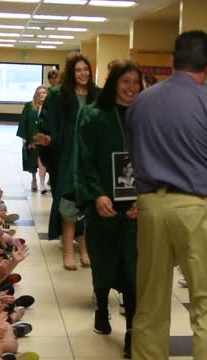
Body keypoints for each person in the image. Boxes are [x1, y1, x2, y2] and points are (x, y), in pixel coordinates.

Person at [125, 30, 207, 360]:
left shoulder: (141, 102)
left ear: (173, 61)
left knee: (150, 301)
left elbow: (132, 154)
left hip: (151, 205)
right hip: (195, 206)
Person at [75, 59, 143, 358]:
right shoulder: (93, 115)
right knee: (103, 262)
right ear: (114, 82)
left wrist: (145, 198)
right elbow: (84, 159)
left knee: (133, 268)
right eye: (124, 82)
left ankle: (131, 331)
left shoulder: (146, 117)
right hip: (104, 203)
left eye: (135, 83)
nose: (130, 88)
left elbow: (157, 161)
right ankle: (102, 309)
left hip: (135, 208)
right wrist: (97, 195)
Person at [34, 53, 100, 270]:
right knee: (68, 202)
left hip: (91, 157)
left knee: (90, 203)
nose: (83, 74)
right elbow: (50, 123)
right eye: (78, 70)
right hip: (68, 157)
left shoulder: (97, 95)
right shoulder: (59, 95)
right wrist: (48, 139)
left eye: (86, 69)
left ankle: (86, 247)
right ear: (71, 73)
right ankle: (69, 251)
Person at [17, 86, 48, 193]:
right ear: (36, 94)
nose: (42, 94)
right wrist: (24, 137)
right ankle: (34, 178)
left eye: (44, 92)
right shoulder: (29, 106)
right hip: (32, 137)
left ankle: (42, 183)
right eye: (40, 93)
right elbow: (24, 121)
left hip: (44, 139)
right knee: (32, 161)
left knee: (42, 161)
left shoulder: (49, 107)